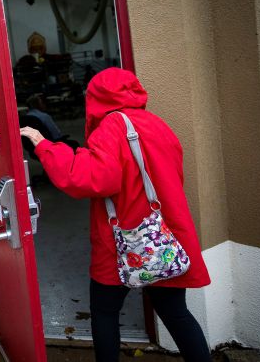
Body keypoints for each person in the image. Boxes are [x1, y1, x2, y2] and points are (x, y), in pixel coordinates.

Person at [20, 67, 211, 362]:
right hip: (162, 238)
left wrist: (45, 145)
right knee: (176, 314)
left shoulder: (112, 127)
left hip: (122, 240)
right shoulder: (157, 124)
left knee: (105, 312)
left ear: (96, 98)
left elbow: (93, 178)